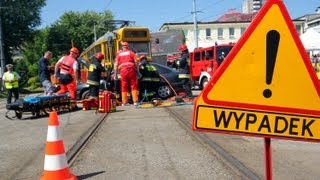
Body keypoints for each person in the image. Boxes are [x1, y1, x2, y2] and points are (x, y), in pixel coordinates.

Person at [114, 41, 139, 106]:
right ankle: (135, 101)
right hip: (131, 70)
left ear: (122, 47)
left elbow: (116, 65)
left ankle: (124, 102)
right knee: (133, 85)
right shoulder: (131, 53)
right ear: (128, 47)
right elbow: (136, 62)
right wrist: (138, 71)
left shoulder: (119, 54)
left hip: (123, 71)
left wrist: (115, 74)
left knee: (124, 86)